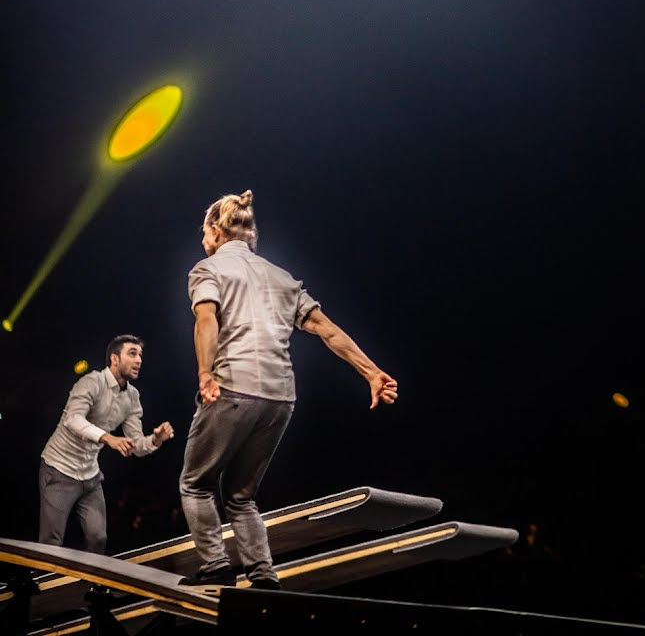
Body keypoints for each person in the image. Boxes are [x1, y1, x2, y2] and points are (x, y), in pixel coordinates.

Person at [178, 189, 398, 590]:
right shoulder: (282, 277)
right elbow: (327, 330)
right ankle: (263, 574)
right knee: (241, 495)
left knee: (195, 483)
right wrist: (372, 372)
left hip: (232, 386)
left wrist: (205, 372)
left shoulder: (207, 269)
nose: (203, 239)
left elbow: (206, 320)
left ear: (214, 230)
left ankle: (215, 567)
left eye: (204, 232)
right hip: (280, 397)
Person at [39, 335, 174, 554]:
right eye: (132, 354)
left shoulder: (132, 396)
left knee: (98, 538)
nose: (139, 360)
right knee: (51, 542)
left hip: (90, 476)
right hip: (59, 469)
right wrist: (108, 438)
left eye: (140, 355)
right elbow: (73, 420)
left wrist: (155, 439)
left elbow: (136, 445)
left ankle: (92, 578)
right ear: (114, 358)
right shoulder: (91, 382)